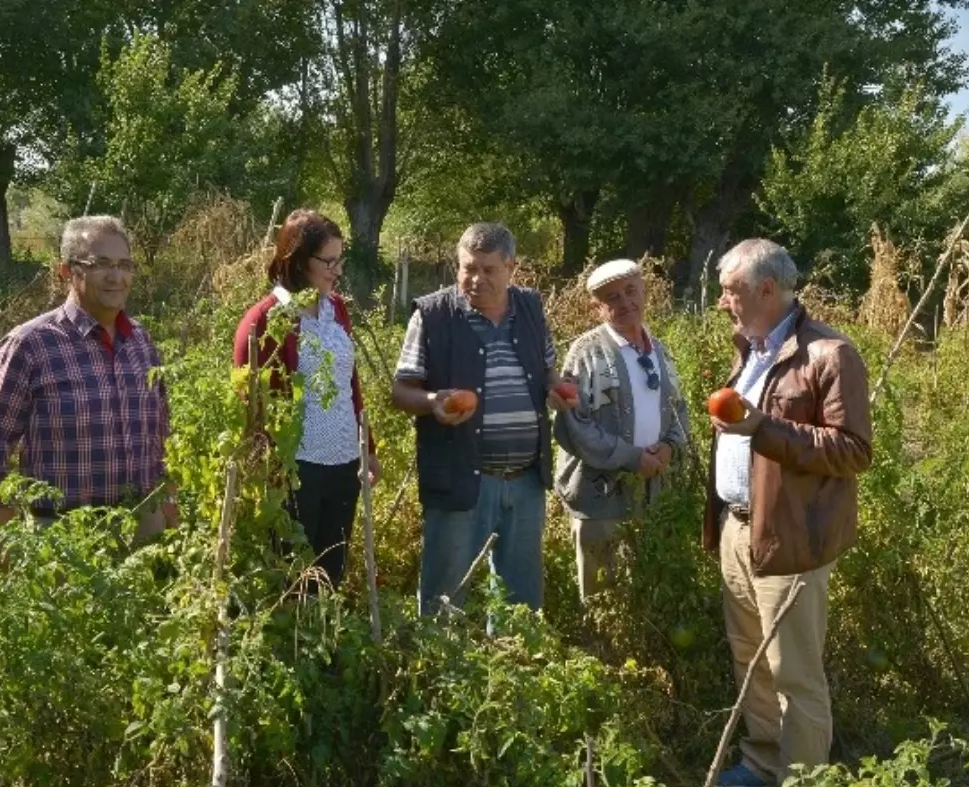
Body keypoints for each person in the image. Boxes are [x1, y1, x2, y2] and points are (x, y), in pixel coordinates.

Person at [705, 239, 873, 787]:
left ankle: (803, 784)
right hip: (738, 527)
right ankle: (761, 764)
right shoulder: (752, 348)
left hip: (792, 533)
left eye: (731, 291)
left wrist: (762, 430)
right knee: (750, 656)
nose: (724, 301)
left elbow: (852, 448)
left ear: (766, 289)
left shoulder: (829, 353)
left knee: (794, 671)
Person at [392, 222, 569, 615]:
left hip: (524, 481)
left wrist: (556, 389)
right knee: (444, 596)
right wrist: (434, 400)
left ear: (511, 267)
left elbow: (547, 372)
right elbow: (401, 391)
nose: (475, 279)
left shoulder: (530, 307)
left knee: (519, 602)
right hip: (460, 476)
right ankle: (440, 671)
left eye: (487, 270)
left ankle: (511, 670)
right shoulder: (433, 315)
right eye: (467, 268)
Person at [0, 215, 176, 543]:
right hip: (62, 536)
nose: (116, 276)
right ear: (66, 271)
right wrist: (10, 545)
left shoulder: (141, 342)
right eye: (101, 264)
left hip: (143, 525)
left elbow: (163, 436)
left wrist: (169, 515)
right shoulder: (30, 344)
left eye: (125, 265)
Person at [233, 209, 379, 590]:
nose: (337, 270)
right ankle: (293, 647)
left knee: (332, 572)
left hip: (344, 461)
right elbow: (252, 404)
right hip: (297, 469)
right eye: (328, 261)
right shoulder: (266, 319)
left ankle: (327, 644)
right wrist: (268, 468)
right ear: (297, 260)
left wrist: (369, 447)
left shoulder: (337, 309)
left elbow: (350, 383)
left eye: (339, 260)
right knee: (294, 576)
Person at [553, 259, 691, 600]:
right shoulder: (585, 353)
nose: (625, 302)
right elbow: (574, 424)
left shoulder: (660, 350)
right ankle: (601, 654)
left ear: (645, 292)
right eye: (612, 298)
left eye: (631, 291)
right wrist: (631, 458)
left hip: (652, 494)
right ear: (597, 308)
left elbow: (679, 409)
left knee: (649, 591)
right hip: (599, 497)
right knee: (602, 596)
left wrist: (670, 447)